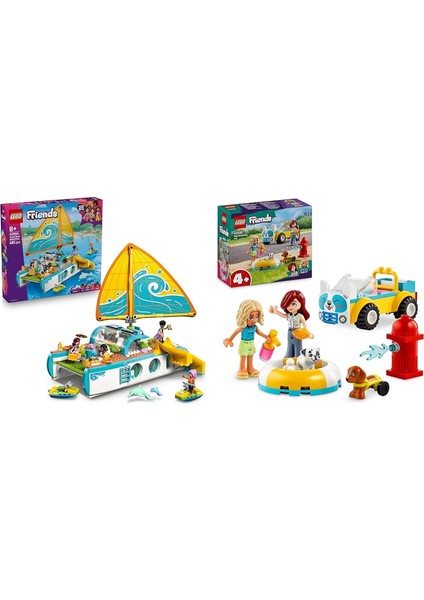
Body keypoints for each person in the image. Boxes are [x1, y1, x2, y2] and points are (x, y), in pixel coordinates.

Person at [223, 299, 271, 379]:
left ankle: (250, 368)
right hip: (244, 343)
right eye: (251, 317)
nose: (254, 320)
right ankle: (241, 369)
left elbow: (259, 333)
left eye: (256, 317)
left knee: (251, 355)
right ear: (244, 316)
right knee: (243, 356)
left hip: (251, 343)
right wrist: (229, 340)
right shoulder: (242, 328)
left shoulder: (255, 327)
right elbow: (235, 332)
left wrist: (266, 337)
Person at [269, 290, 313, 358]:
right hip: (289, 332)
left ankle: (298, 357)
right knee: (289, 344)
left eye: (293, 304)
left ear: (301, 303)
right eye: (288, 304)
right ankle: (288, 356)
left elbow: (305, 326)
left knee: (297, 345)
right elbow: (283, 316)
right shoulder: (289, 315)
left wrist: (308, 333)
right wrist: (276, 312)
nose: (290, 307)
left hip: (297, 332)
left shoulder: (300, 316)